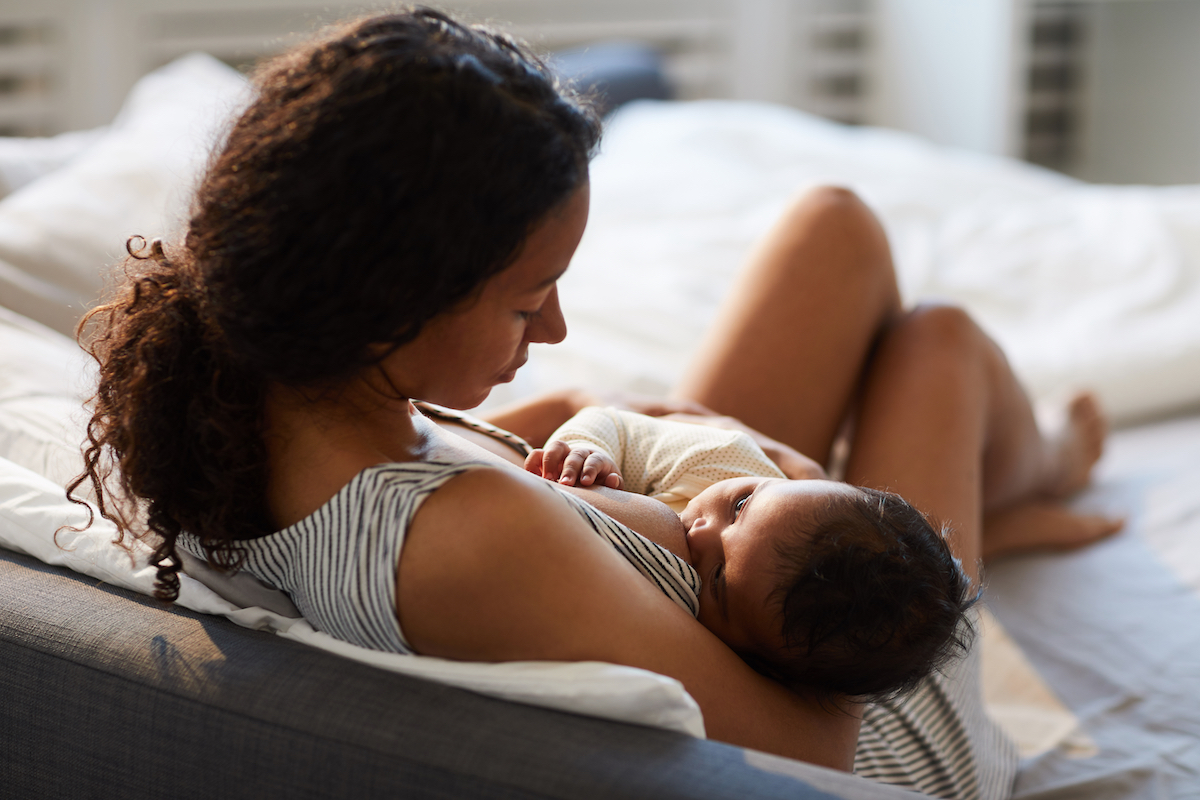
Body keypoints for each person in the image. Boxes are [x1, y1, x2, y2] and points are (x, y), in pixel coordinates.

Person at [68, 8, 1121, 798]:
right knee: (938, 341)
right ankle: (1033, 475)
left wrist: (599, 427)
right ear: (397, 302)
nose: (557, 325)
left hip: (701, 555)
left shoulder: (252, 392)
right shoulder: (474, 541)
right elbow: (814, 750)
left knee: (835, 229)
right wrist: (796, 482)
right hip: (872, 677)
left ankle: (1010, 489)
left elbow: (478, 452)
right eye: (529, 299)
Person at [525, 404, 977, 701]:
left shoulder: (739, 659)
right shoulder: (726, 461)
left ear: (757, 662)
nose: (700, 533)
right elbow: (616, 423)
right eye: (739, 506)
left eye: (719, 578)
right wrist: (591, 449)